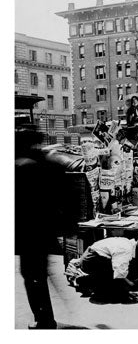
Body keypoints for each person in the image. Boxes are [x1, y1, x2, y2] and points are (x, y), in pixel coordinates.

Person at [15, 123, 67, 329]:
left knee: (32, 276)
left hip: (29, 231)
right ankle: (46, 317)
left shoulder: (22, 166)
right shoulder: (51, 162)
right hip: (45, 229)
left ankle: (44, 320)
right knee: (39, 275)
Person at [75, 235, 138, 302]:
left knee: (117, 273)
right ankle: (87, 283)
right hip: (90, 261)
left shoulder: (128, 242)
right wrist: (131, 284)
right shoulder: (126, 250)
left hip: (91, 256)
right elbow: (119, 274)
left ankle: (91, 281)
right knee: (117, 292)